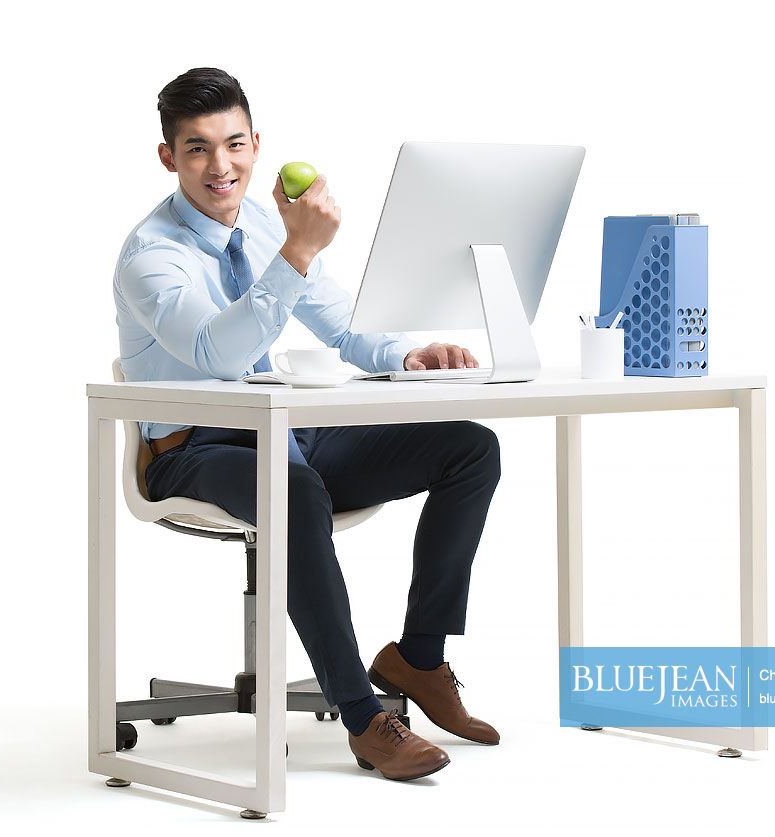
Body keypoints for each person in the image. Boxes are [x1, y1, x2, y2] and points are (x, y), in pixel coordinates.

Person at [112, 67, 501, 781]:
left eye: (233, 144)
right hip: (193, 445)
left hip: (284, 428)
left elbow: (342, 326)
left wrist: (408, 353)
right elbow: (214, 353)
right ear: (168, 157)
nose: (219, 165)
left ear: (257, 145)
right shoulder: (151, 256)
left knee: (468, 446)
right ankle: (364, 719)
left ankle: (417, 657)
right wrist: (295, 253)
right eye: (196, 149)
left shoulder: (264, 221)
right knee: (291, 490)